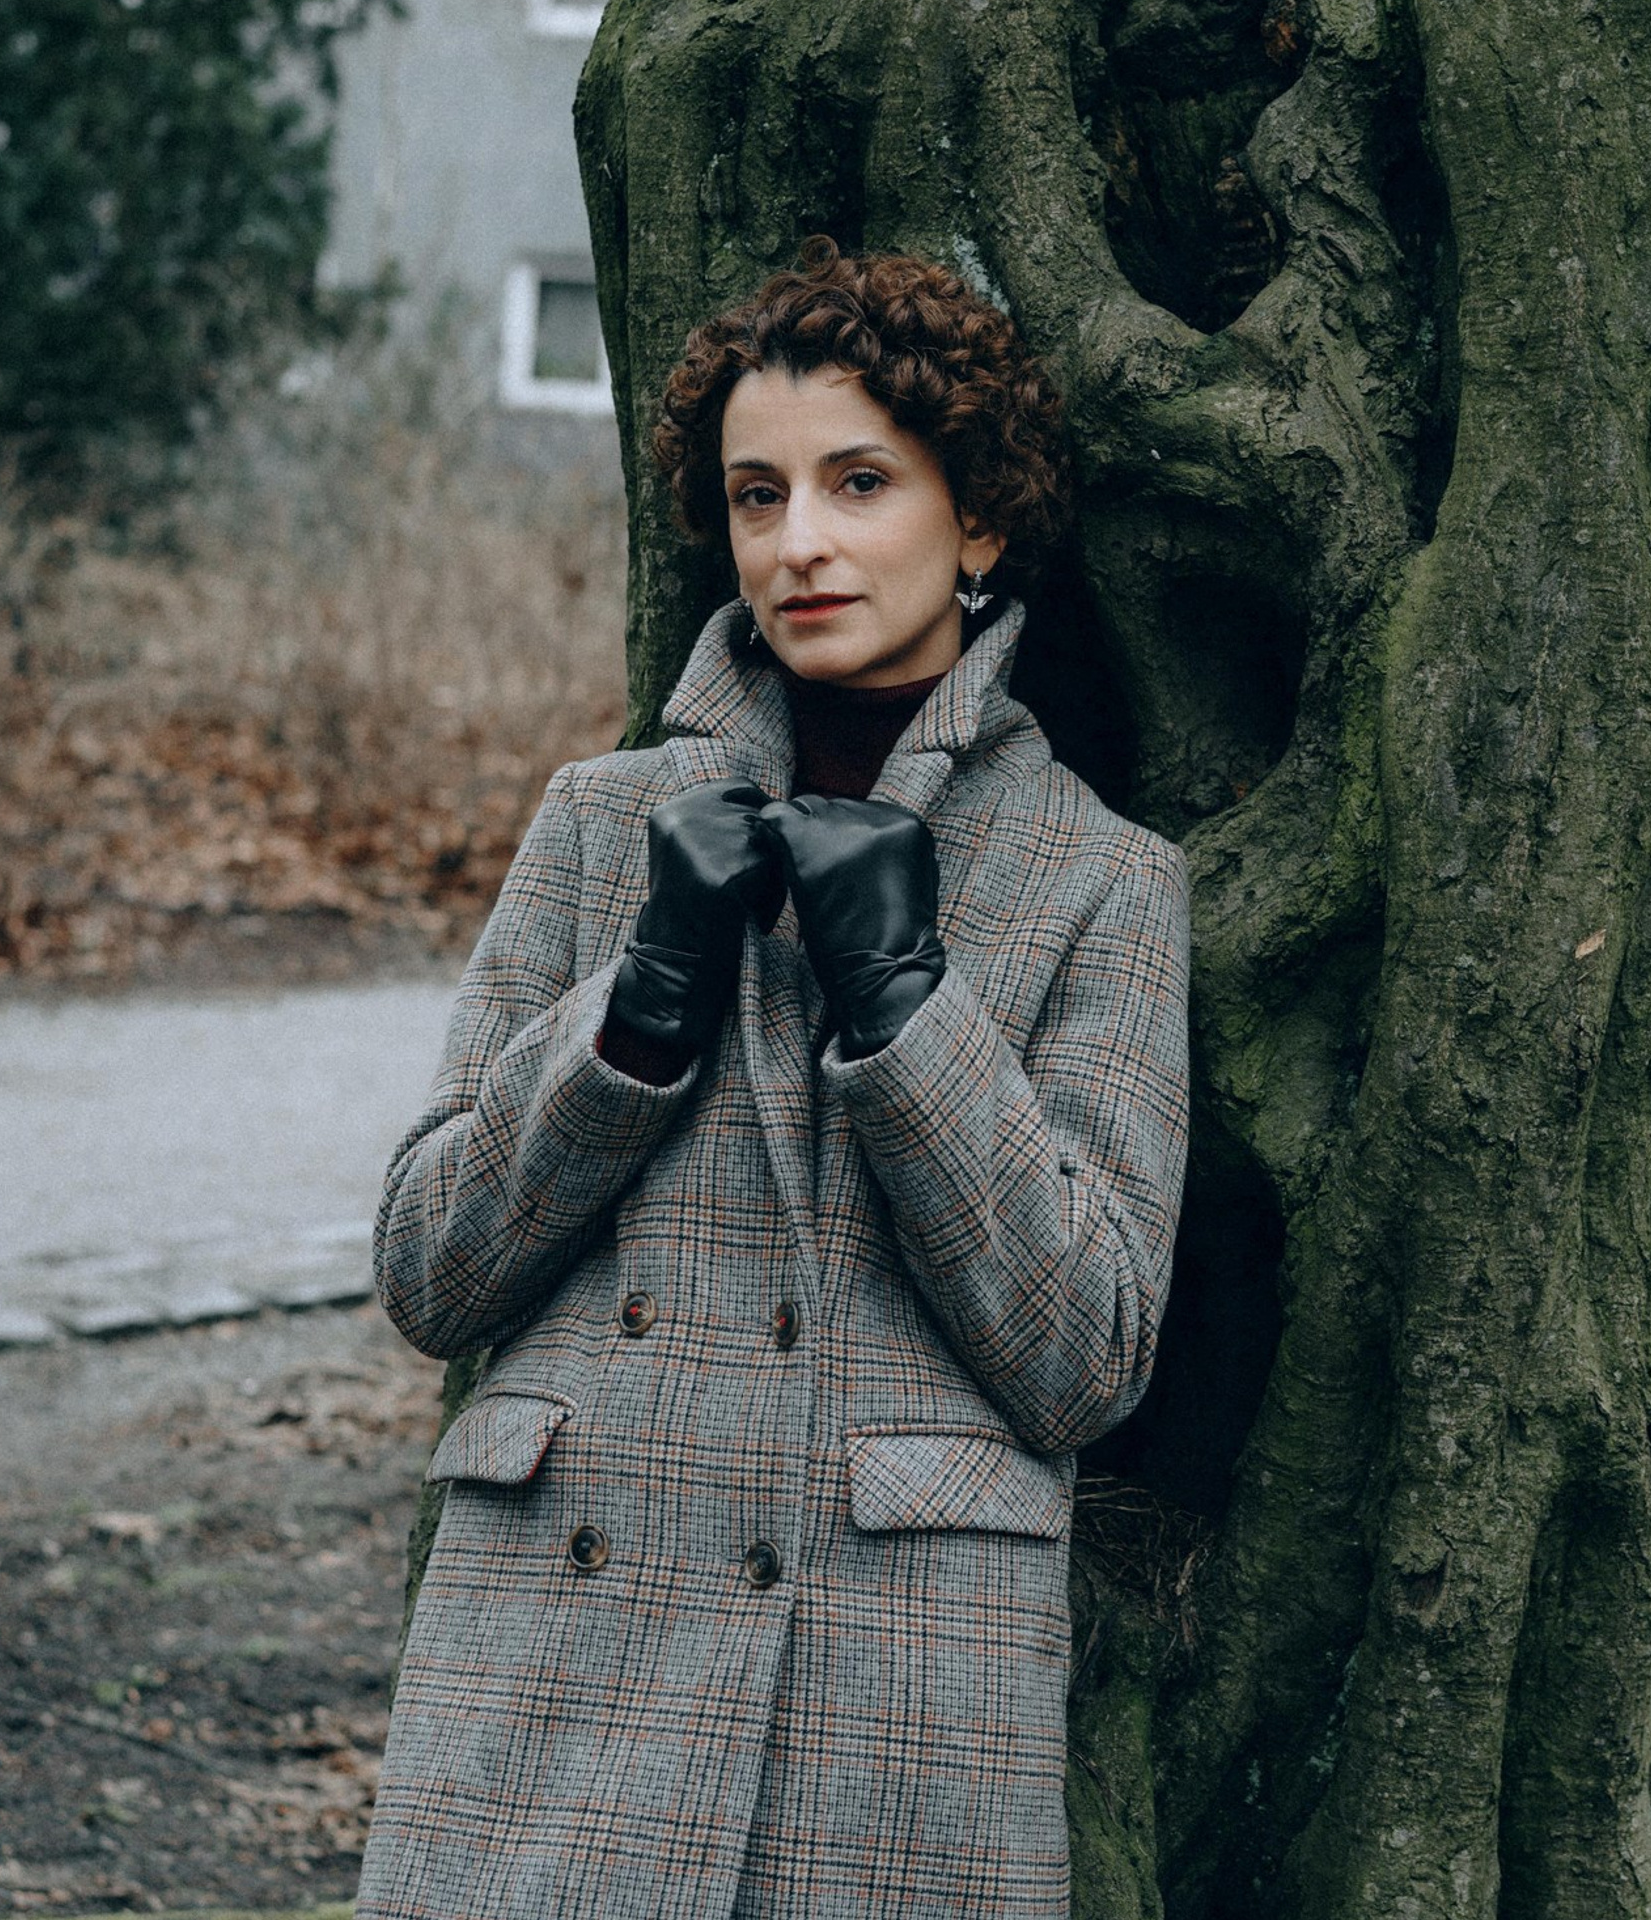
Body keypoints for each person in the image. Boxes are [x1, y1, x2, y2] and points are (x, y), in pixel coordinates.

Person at [354, 238, 1191, 1920]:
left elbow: (1088, 1353)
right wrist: (641, 1004)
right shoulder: (604, 824)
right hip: (556, 1682)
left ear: (980, 521)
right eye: (756, 495)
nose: (797, 543)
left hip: (888, 1711)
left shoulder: (1104, 877)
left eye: (859, 482)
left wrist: (907, 1008)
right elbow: (429, 1270)